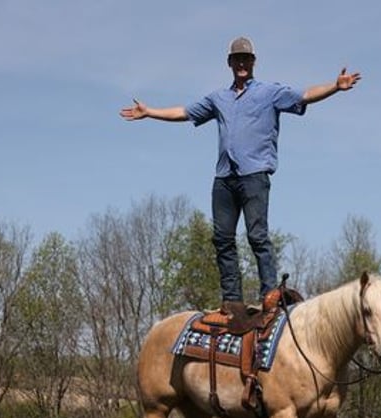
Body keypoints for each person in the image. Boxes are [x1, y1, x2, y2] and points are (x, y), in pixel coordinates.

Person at [120, 36, 361, 318]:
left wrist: (335, 86)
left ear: (253, 62)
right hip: (224, 178)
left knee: (257, 236)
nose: (242, 63)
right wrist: (150, 112)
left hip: (254, 175)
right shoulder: (218, 99)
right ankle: (232, 299)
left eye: (246, 58)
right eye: (237, 59)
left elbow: (304, 94)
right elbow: (185, 112)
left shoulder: (269, 92)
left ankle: (270, 294)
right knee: (222, 238)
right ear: (230, 63)